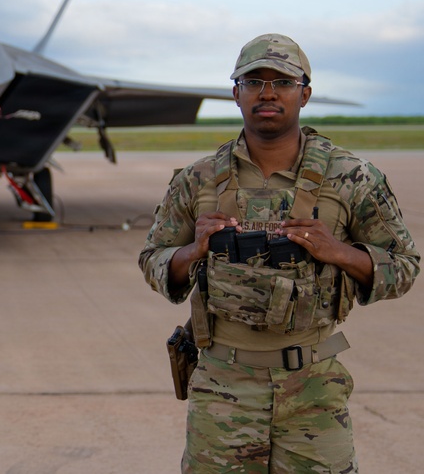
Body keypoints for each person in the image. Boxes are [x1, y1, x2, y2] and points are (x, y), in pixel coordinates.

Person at [139, 33, 418, 473]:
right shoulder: (197, 180)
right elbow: (153, 258)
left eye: (283, 82)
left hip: (314, 387)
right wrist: (192, 251)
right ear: (236, 94)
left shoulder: (353, 177)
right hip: (223, 387)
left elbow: (404, 266)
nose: (267, 93)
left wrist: (339, 252)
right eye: (253, 82)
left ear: (304, 94)